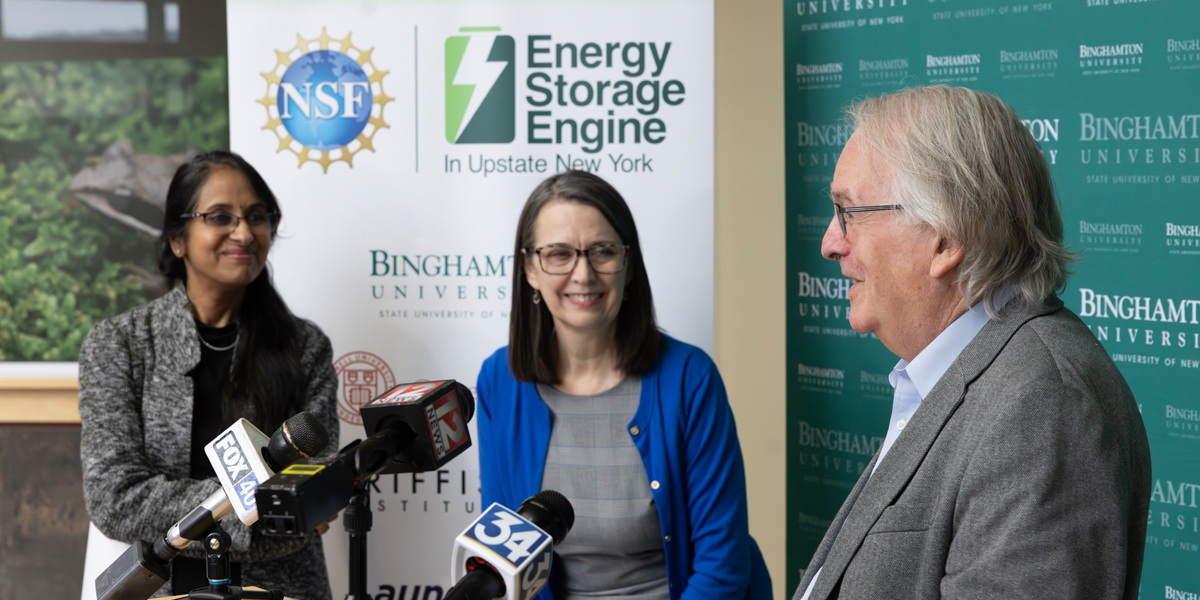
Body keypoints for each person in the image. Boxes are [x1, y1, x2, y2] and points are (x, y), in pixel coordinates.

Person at [793, 85, 1151, 600]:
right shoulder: (966, 373)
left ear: (945, 239)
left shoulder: (1043, 407)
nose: (830, 242)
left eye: (849, 212)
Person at [476, 171, 772, 600]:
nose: (583, 274)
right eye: (558, 254)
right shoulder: (499, 382)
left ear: (628, 265)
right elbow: (505, 562)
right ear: (529, 270)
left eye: (602, 251)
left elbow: (722, 567)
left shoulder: (690, 377)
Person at [78, 151, 338, 599]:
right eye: (220, 217)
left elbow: (312, 495)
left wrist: (182, 513)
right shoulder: (118, 345)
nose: (243, 232)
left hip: (283, 589)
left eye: (257, 216)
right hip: (162, 591)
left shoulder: (305, 346)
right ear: (178, 239)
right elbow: (114, 498)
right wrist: (254, 512)